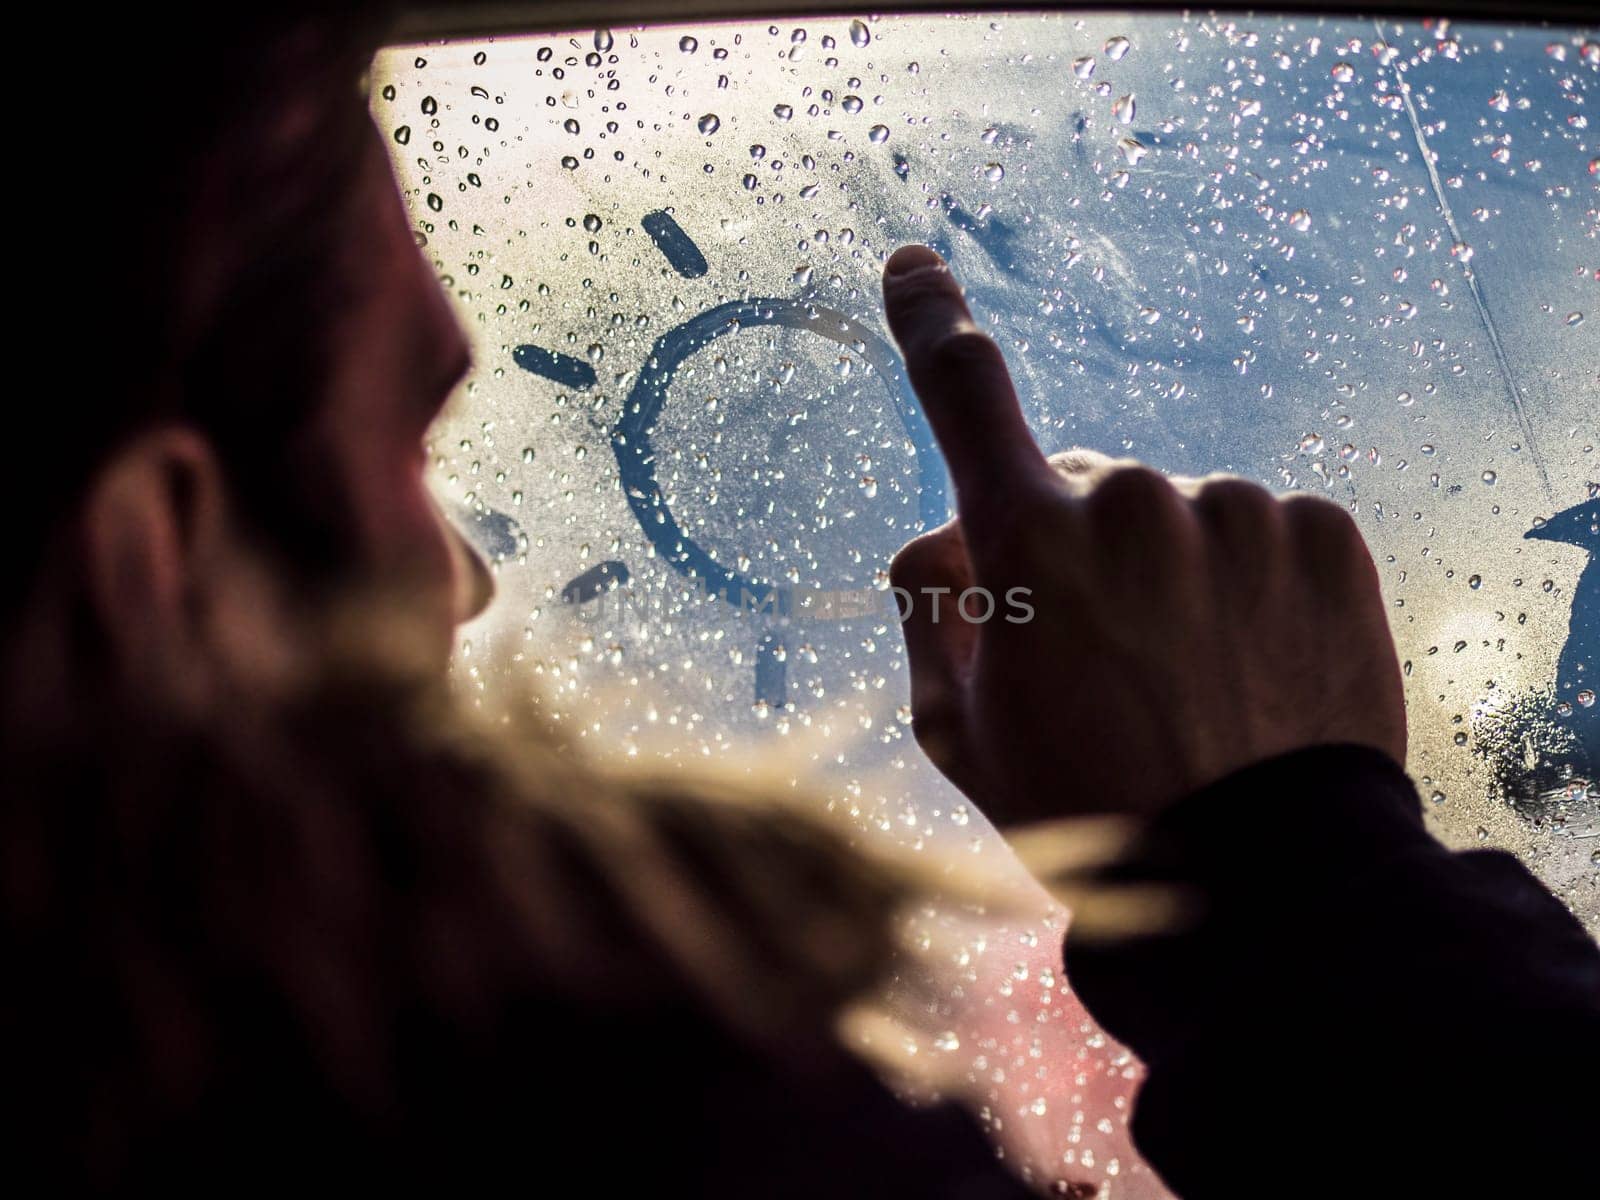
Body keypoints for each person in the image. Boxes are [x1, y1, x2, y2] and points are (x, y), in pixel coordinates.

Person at [3, 9, 1594, 1197]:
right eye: (414, 446)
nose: (471, 579)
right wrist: (1293, 871)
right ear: (155, 559)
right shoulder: (607, 1126)